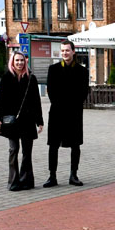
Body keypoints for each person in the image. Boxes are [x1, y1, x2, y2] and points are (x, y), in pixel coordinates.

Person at [0, 51, 43, 191]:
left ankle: (26, 180)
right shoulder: (6, 78)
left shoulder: (31, 79)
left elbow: (36, 102)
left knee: (27, 153)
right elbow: (0, 102)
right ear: (12, 62)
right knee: (13, 150)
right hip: (12, 122)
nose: (20, 63)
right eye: (17, 60)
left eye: (22, 60)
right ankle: (13, 181)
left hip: (28, 121)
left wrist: (39, 121)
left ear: (25, 62)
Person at [44, 40, 89, 187]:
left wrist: (71, 105)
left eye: (67, 50)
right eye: (62, 51)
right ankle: (52, 176)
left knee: (75, 145)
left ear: (73, 51)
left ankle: (73, 175)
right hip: (57, 113)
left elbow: (83, 93)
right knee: (53, 145)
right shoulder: (53, 69)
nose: (65, 53)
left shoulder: (82, 71)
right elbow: (51, 91)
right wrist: (60, 104)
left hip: (74, 113)